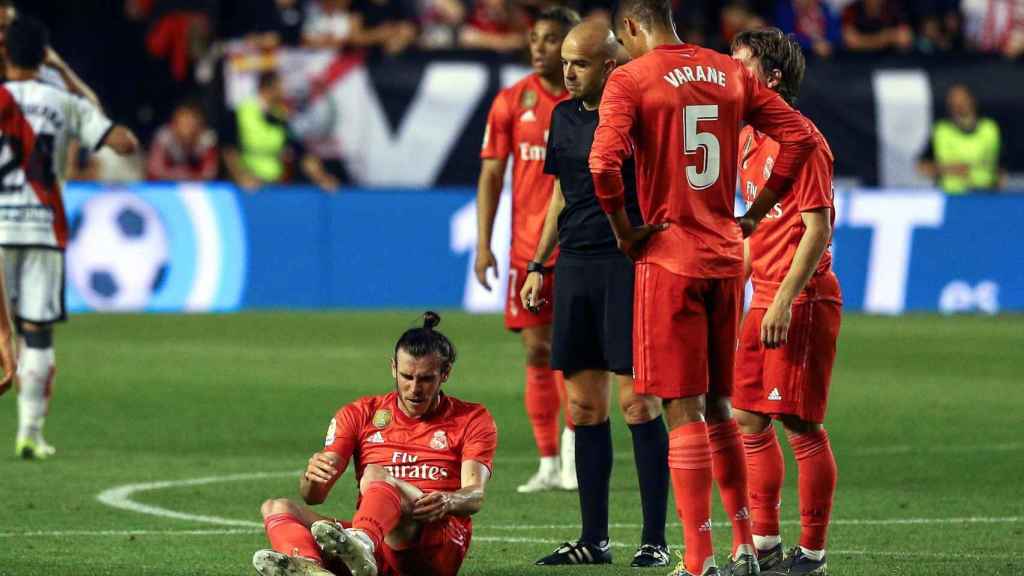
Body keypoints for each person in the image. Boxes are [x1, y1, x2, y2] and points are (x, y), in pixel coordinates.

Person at [590, 1, 822, 574]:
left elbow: (602, 164)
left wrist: (624, 231)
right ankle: (744, 543)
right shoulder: (728, 70)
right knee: (721, 405)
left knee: (679, 407)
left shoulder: (631, 77)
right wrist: (758, 211)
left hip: (669, 259)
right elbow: (798, 136)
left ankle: (698, 561)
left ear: (630, 28)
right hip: (726, 261)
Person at [520, 20, 670, 568]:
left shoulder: (643, 114)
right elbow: (561, 197)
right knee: (584, 407)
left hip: (628, 264)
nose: (566, 72)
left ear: (610, 66)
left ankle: (655, 540)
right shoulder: (562, 117)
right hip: (576, 266)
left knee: (637, 402)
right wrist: (540, 264)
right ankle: (594, 540)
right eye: (564, 62)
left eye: (578, 63)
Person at [251, 312, 497, 576]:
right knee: (277, 507)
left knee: (376, 475)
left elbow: (475, 494)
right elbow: (314, 496)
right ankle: (313, 569)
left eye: (426, 379)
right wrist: (313, 476)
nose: (414, 388)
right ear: (393, 368)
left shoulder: (471, 418)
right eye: (406, 376)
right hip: (374, 547)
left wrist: (448, 500)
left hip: (438, 542)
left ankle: (362, 542)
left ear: (445, 373)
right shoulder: (360, 413)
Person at [0, 16, 139, 459]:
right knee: (37, 333)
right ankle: (30, 431)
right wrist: (63, 73)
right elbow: (123, 144)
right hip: (43, 228)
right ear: (43, 55)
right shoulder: (63, 101)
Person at [731, 28, 841, 576]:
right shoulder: (747, 138)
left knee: (799, 424)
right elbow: (758, 230)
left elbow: (816, 230)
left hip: (801, 300)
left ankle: (812, 553)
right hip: (763, 298)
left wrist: (782, 302)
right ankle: (767, 546)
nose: (731, 73)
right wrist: (737, 289)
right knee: (747, 419)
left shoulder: (805, 140)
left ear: (771, 79)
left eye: (741, 63)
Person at [475, 6, 580, 494]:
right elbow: (492, 174)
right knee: (537, 352)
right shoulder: (511, 102)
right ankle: (546, 462)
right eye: (535, 38)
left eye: (551, 38)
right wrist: (483, 244)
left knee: (578, 356)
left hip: (580, 245)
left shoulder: (593, 103)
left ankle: (575, 451)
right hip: (525, 252)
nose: (539, 46)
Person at [222, 71, 340, 193]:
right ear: (269, 88)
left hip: (274, 186)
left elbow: (300, 152)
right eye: (281, 87)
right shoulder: (240, 112)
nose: (285, 93)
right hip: (244, 190)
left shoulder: (280, 118)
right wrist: (242, 176)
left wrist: (321, 177)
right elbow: (229, 149)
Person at [918, 83, 1006, 194]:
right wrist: (949, 169)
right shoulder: (941, 132)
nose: (958, 105)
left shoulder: (990, 129)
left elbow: (1002, 166)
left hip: (985, 194)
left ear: (972, 100)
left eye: (962, 101)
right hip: (952, 196)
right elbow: (921, 167)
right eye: (953, 103)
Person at [146, 100, 219, 181]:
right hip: (167, 185)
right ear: (174, 123)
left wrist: (189, 175)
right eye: (184, 121)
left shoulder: (206, 139)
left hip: (196, 186)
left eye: (192, 122)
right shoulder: (164, 137)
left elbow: (210, 174)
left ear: (200, 125)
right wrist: (176, 174)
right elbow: (154, 171)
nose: (188, 127)